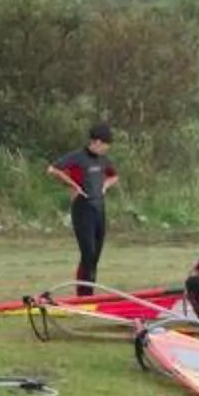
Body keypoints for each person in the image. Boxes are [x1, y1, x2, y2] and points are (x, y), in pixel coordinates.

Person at [46, 124, 119, 291]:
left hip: (99, 208)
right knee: (88, 252)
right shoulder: (77, 157)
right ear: (98, 142)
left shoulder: (103, 159)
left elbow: (114, 175)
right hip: (83, 208)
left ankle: (89, 291)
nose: (106, 150)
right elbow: (52, 169)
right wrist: (73, 185)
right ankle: (83, 294)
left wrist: (104, 186)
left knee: (96, 255)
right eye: (106, 146)